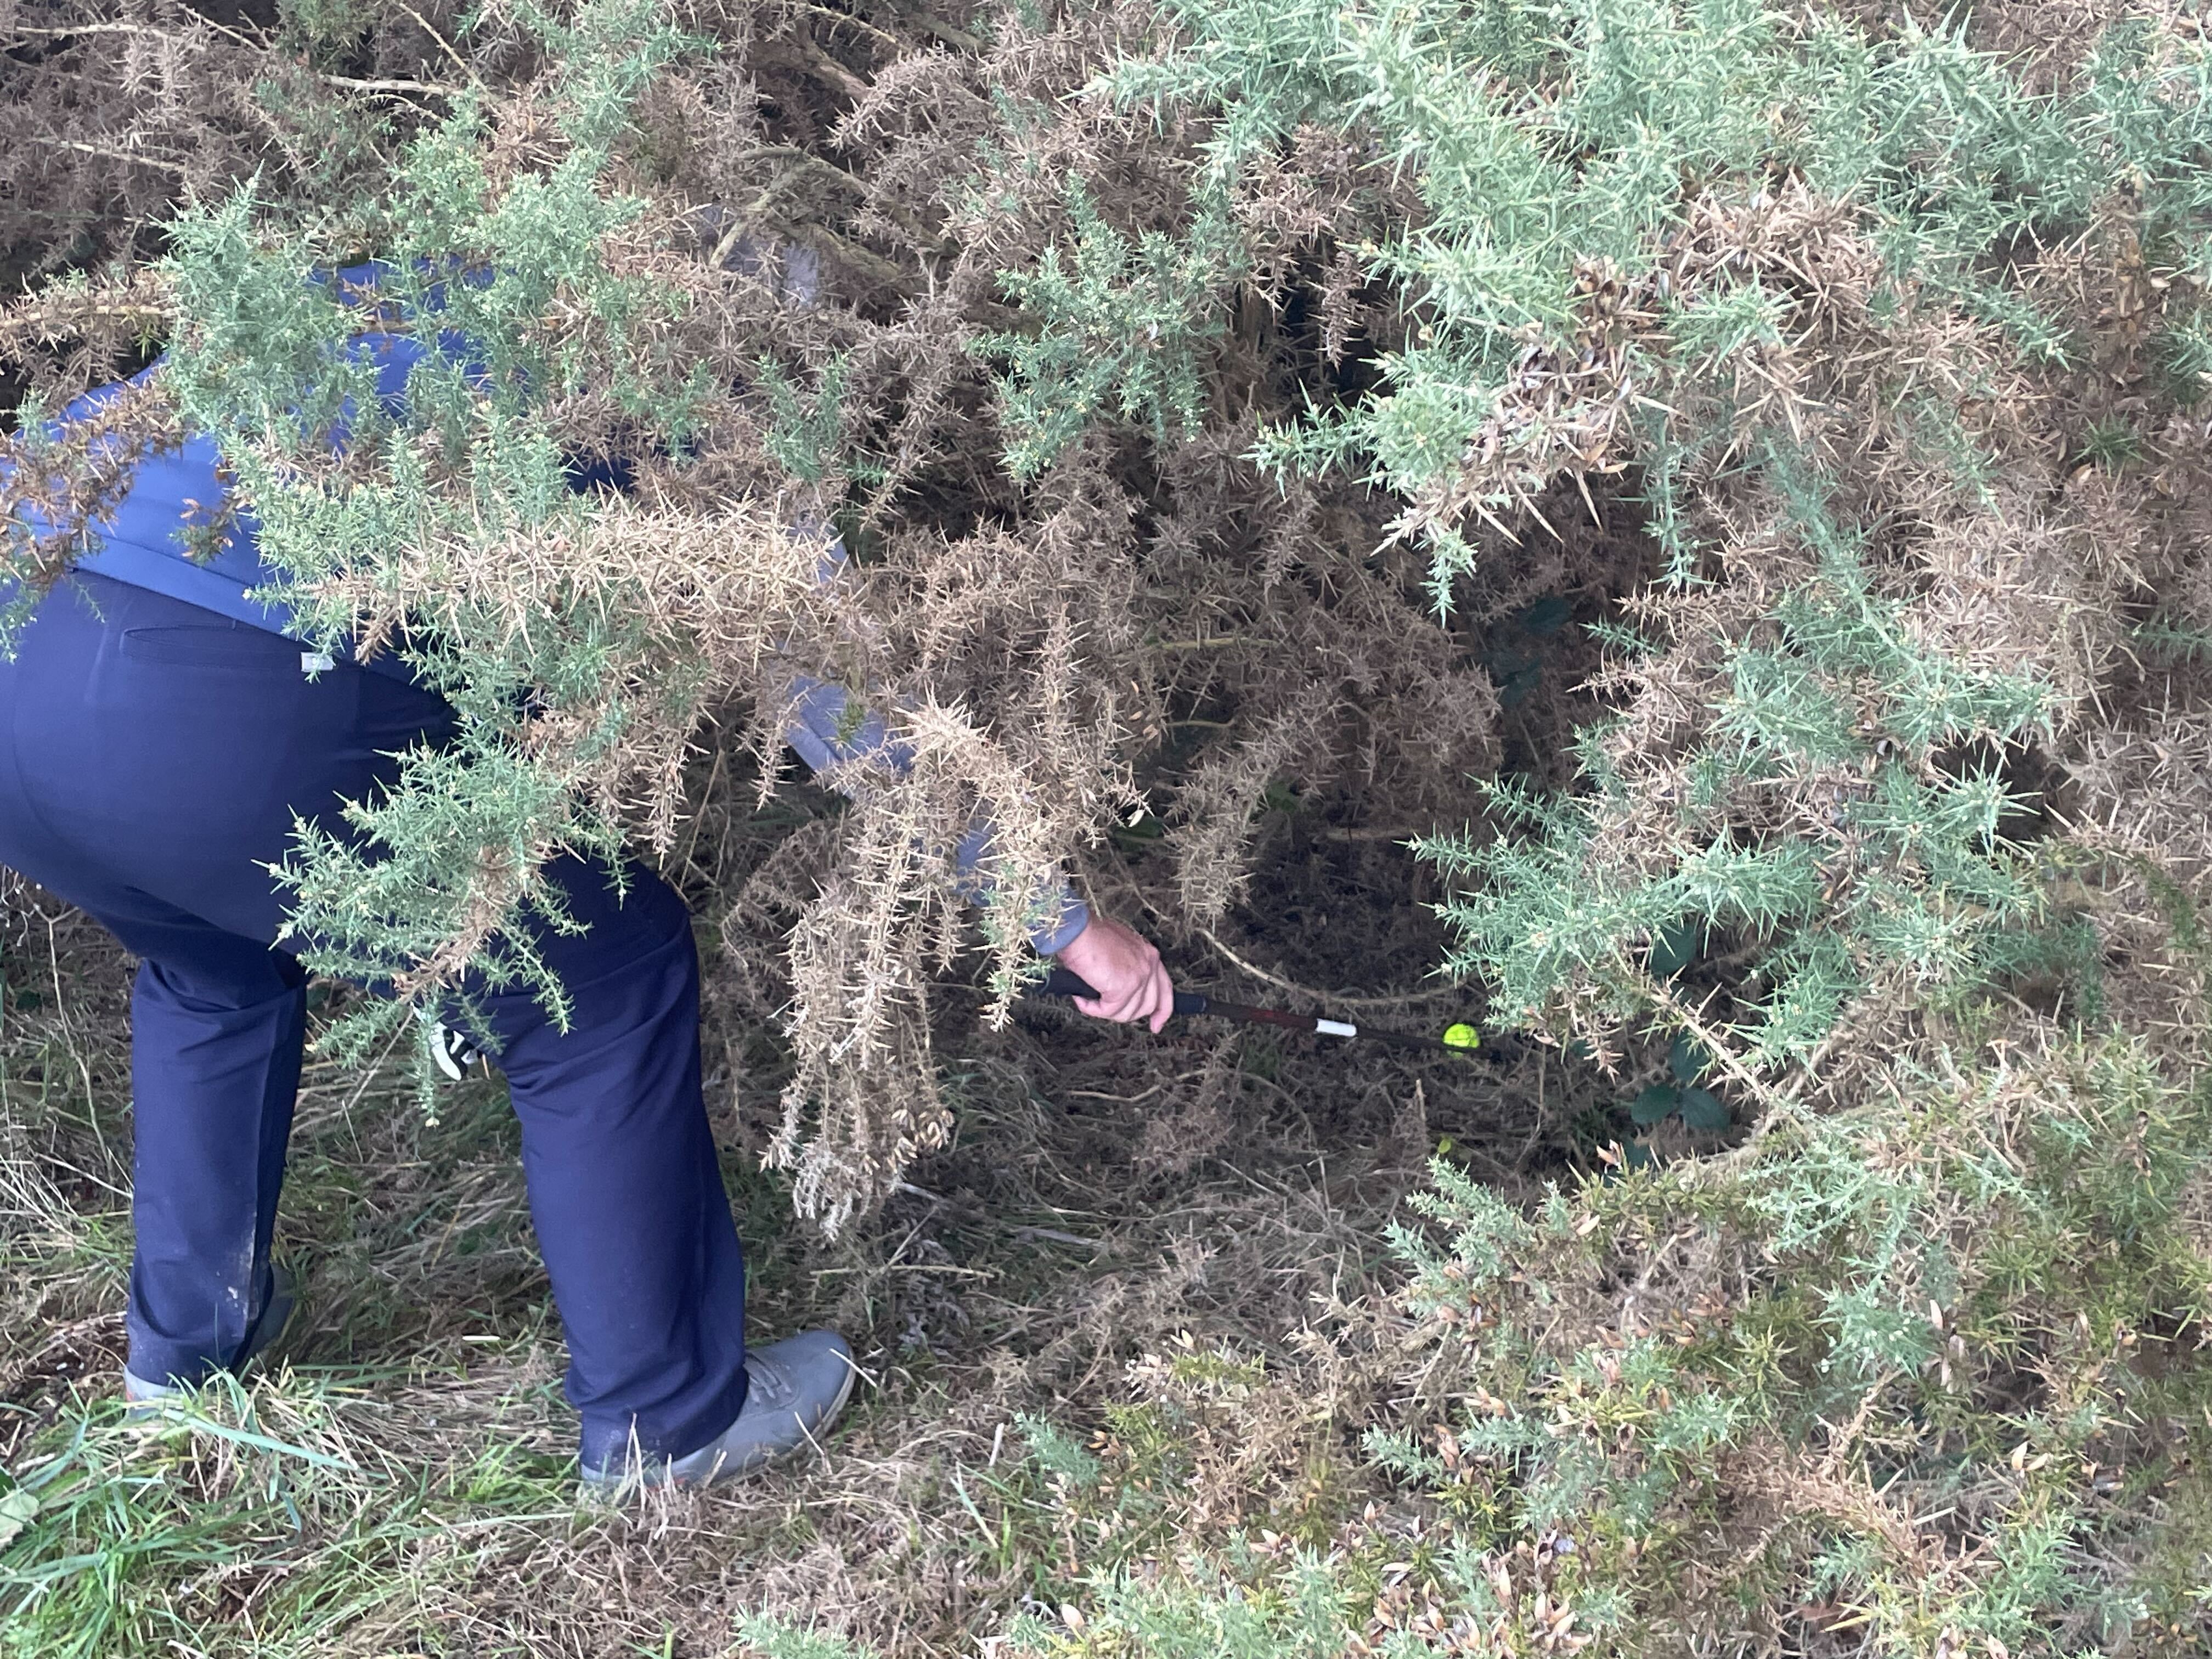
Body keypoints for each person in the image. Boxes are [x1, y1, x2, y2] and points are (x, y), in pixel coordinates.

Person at [0, 332, 1176, 1491]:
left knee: (215, 972)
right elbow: (843, 697)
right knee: (602, 973)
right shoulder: (702, 369)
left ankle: (182, 1357)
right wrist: (1060, 921)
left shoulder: (413, 283)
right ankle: (669, 1422)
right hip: (190, 683)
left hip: (19, 624)